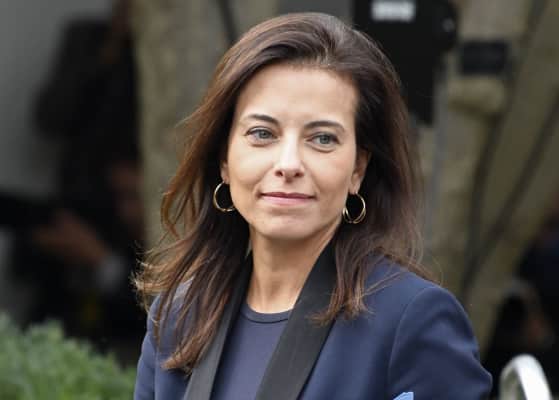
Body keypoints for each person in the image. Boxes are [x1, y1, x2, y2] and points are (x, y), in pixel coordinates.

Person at [134, 12, 492, 399]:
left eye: (322, 139)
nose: (288, 164)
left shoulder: (411, 319)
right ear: (224, 159)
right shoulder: (179, 318)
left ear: (358, 168)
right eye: (262, 133)